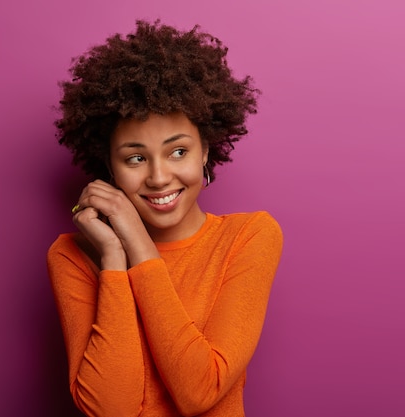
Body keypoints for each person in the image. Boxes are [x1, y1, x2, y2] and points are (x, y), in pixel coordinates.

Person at [47, 20, 283, 417]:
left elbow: (199, 391)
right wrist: (112, 257)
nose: (158, 177)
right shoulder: (72, 254)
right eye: (136, 158)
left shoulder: (249, 235)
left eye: (178, 152)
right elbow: (111, 409)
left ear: (205, 150)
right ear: (110, 165)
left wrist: (137, 245)